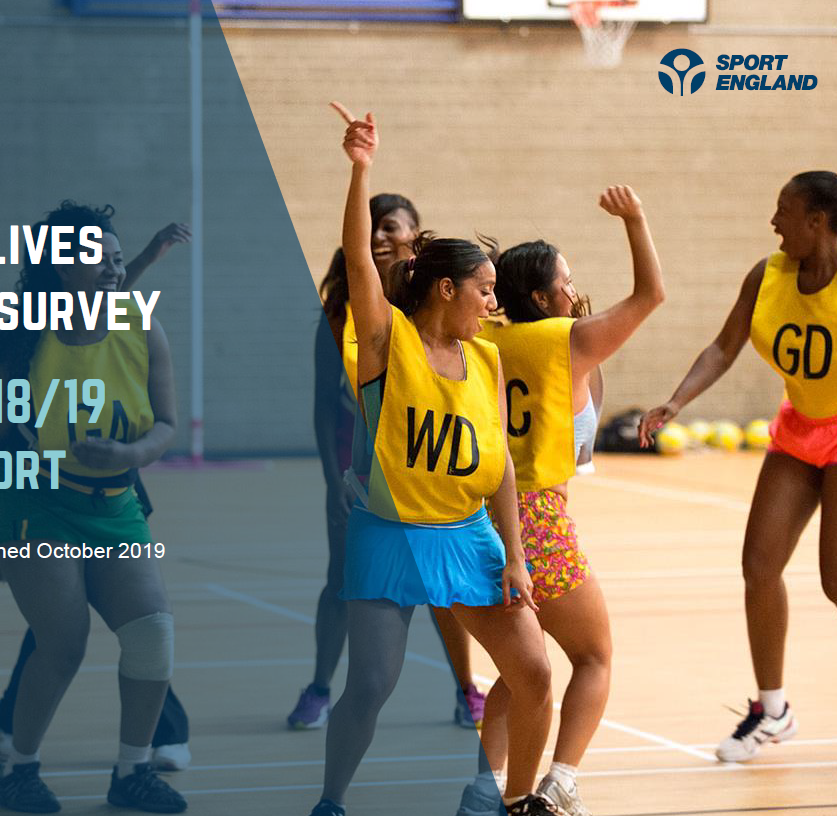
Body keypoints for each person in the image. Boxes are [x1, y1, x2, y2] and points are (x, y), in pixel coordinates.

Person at [306, 103, 557, 816]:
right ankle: (330, 800)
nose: (492, 302)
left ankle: (507, 799)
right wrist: (360, 170)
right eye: (484, 290)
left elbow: (501, 466)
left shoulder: (482, 356)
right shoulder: (386, 342)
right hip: (389, 533)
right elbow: (359, 259)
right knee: (372, 686)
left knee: (534, 672)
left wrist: (513, 553)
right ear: (447, 290)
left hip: (468, 534)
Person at [0, 201, 186, 813]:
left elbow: (167, 425)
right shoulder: (25, 342)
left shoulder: (142, 327)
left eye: (118, 259)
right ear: (61, 269)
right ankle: (18, 769)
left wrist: (131, 453)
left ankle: (131, 771)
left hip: (114, 504)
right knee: (63, 641)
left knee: (152, 636)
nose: (114, 269)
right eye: (100, 260)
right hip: (36, 502)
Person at [459, 187, 664, 816]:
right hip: (535, 519)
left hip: (472, 518)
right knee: (594, 656)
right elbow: (651, 295)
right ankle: (559, 783)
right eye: (566, 282)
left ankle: (477, 790)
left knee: (520, 673)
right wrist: (635, 219)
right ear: (545, 298)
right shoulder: (565, 340)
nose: (575, 291)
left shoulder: (484, 340)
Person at [639, 171, 837, 763]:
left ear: (817, 222)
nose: (773, 221)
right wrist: (677, 401)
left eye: (784, 211)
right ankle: (773, 710)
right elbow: (723, 346)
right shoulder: (768, 274)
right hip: (799, 429)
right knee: (759, 566)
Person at [290, 195, 485, 731]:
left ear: (419, 241)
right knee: (342, 582)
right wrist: (334, 482)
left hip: (432, 469)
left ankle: (467, 689)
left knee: (446, 588)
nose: (382, 235)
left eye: (396, 228)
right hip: (365, 476)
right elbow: (322, 409)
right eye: (376, 226)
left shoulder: (430, 313)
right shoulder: (340, 318)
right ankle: (320, 687)